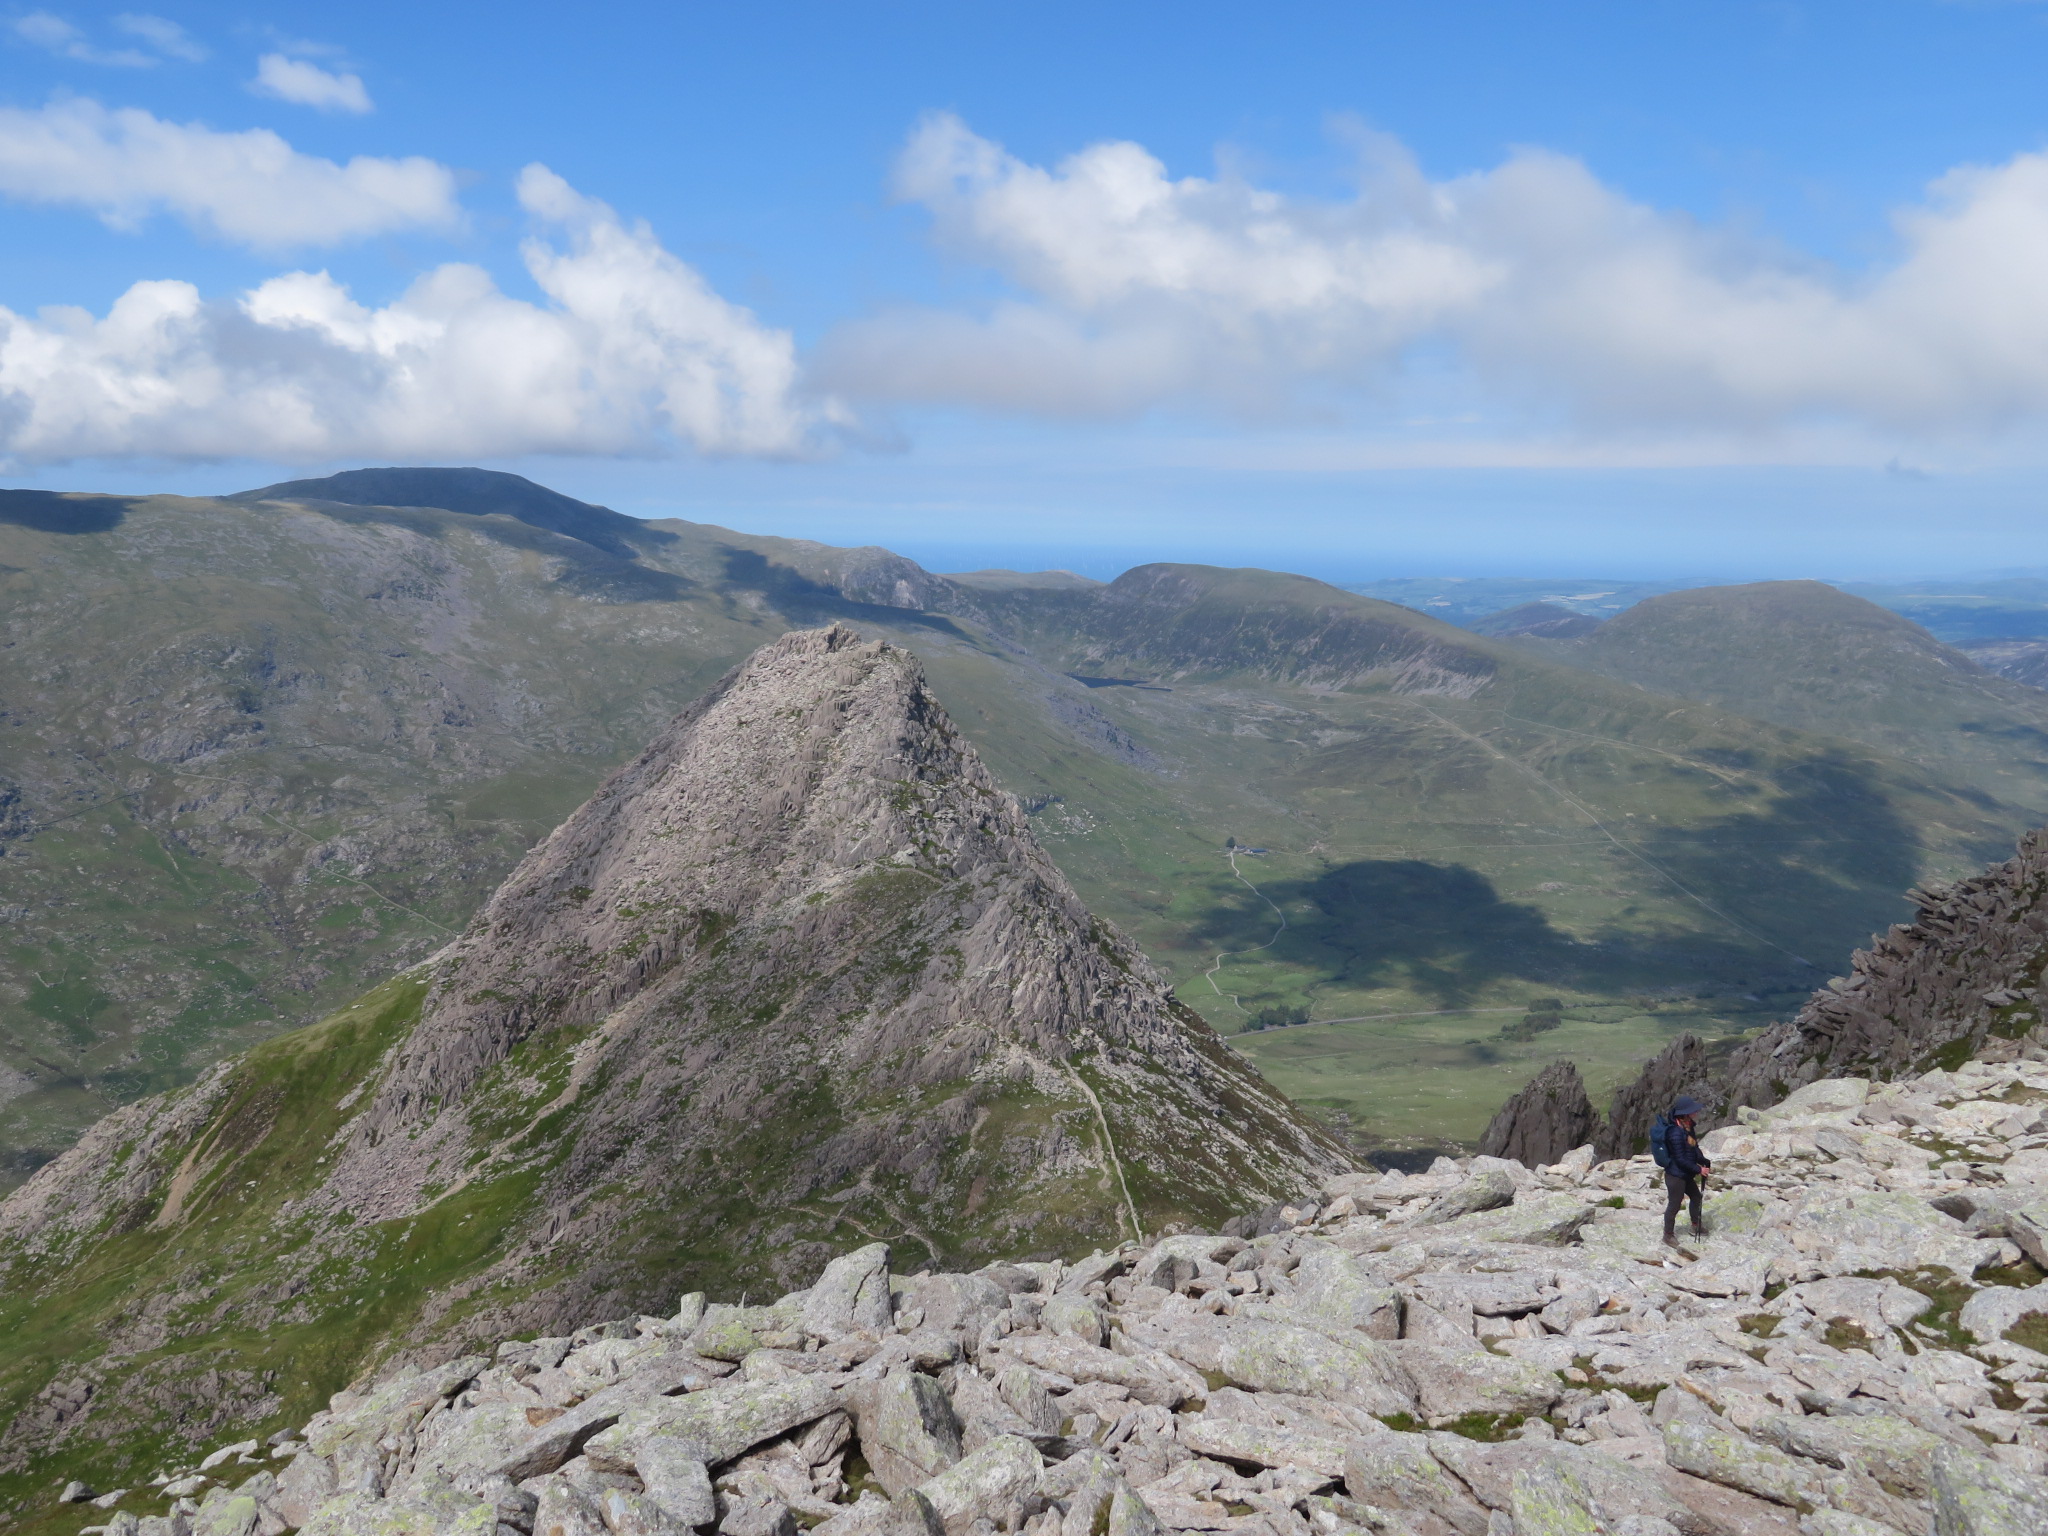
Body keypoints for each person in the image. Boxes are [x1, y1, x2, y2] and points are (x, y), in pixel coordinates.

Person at [1662, 1095, 1712, 1246]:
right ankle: (1668, 1235)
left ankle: (1695, 1226)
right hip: (1675, 1176)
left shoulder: (1688, 1127)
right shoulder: (1675, 1133)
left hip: (1685, 1174)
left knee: (1696, 1197)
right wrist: (1699, 1169)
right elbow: (1680, 1159)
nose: (1695, 1113)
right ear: (1684, 1113)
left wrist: (1703, 1160)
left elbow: (1694, 1148)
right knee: (1675, 1204)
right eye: (1692, 1111)